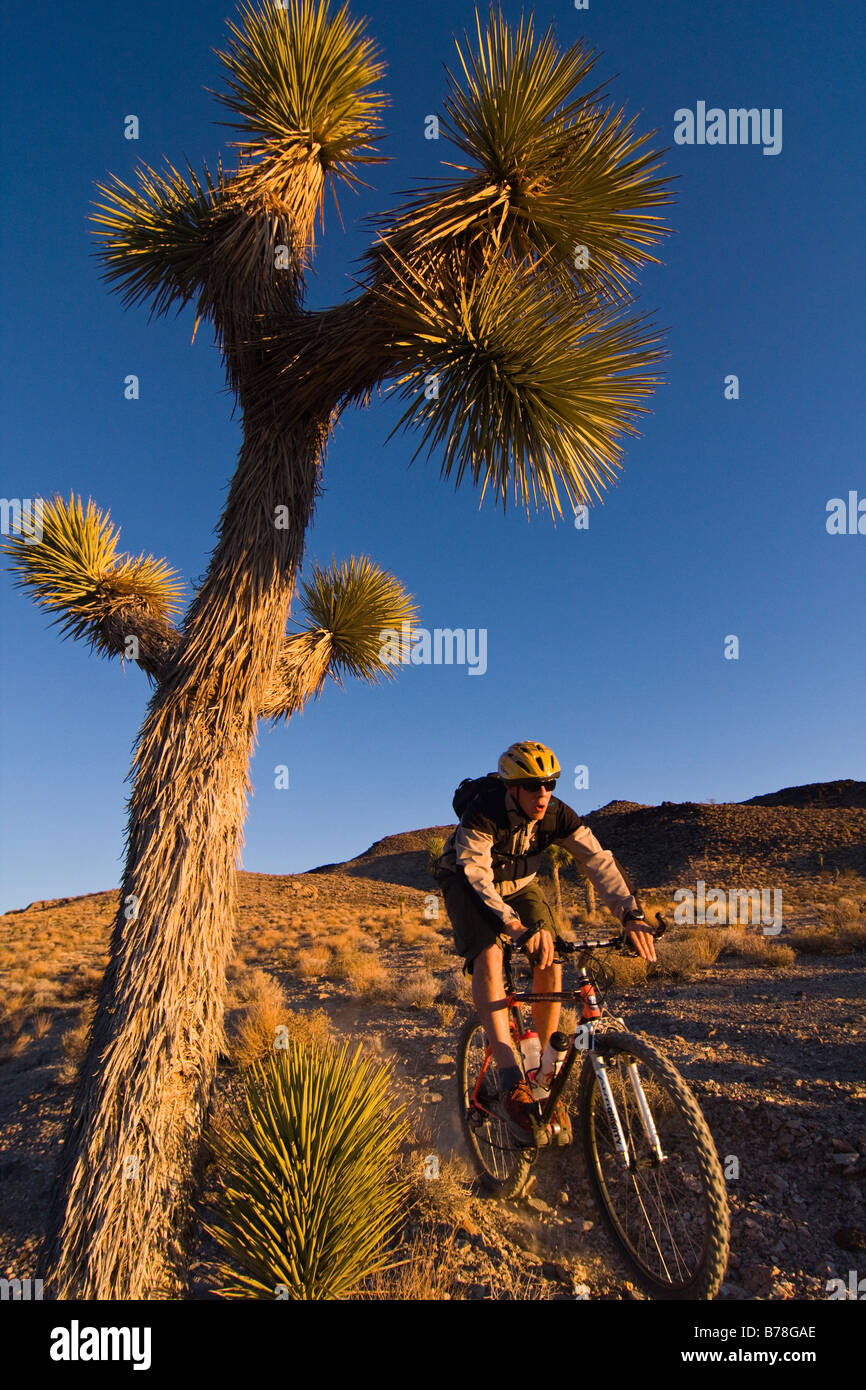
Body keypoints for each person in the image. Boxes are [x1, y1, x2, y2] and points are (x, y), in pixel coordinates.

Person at [436, 740, 658, 1145]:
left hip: (521, 885)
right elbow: (476, 874)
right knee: (488, 954)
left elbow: (597, 860)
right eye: (533, 785)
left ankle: (542, 1073)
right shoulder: (483, 811)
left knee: (550, 957)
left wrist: (630, 913)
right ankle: (507, 1073)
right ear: (511, 787)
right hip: (467, 881)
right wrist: (515, 929)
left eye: (550, 784)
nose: (543, 794)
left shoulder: (557, 815)